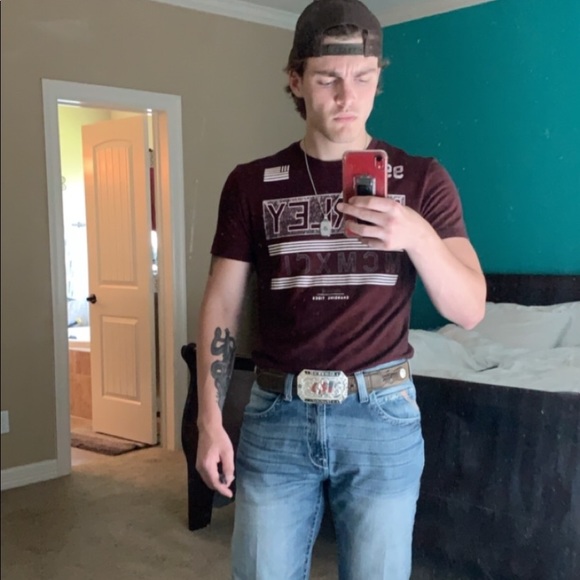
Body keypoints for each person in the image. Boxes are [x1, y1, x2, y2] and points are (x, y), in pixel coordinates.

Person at [195, 0, 486, 578]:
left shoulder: (422, 179)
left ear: (379, 78)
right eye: (328, 78)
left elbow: (470, 310)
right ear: (296, 80)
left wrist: (416, 234)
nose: (347, 97)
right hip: (276, 413)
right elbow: (222, 304)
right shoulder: (250, 184)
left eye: (363, 78)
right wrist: (209, 419)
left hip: (383, 415)